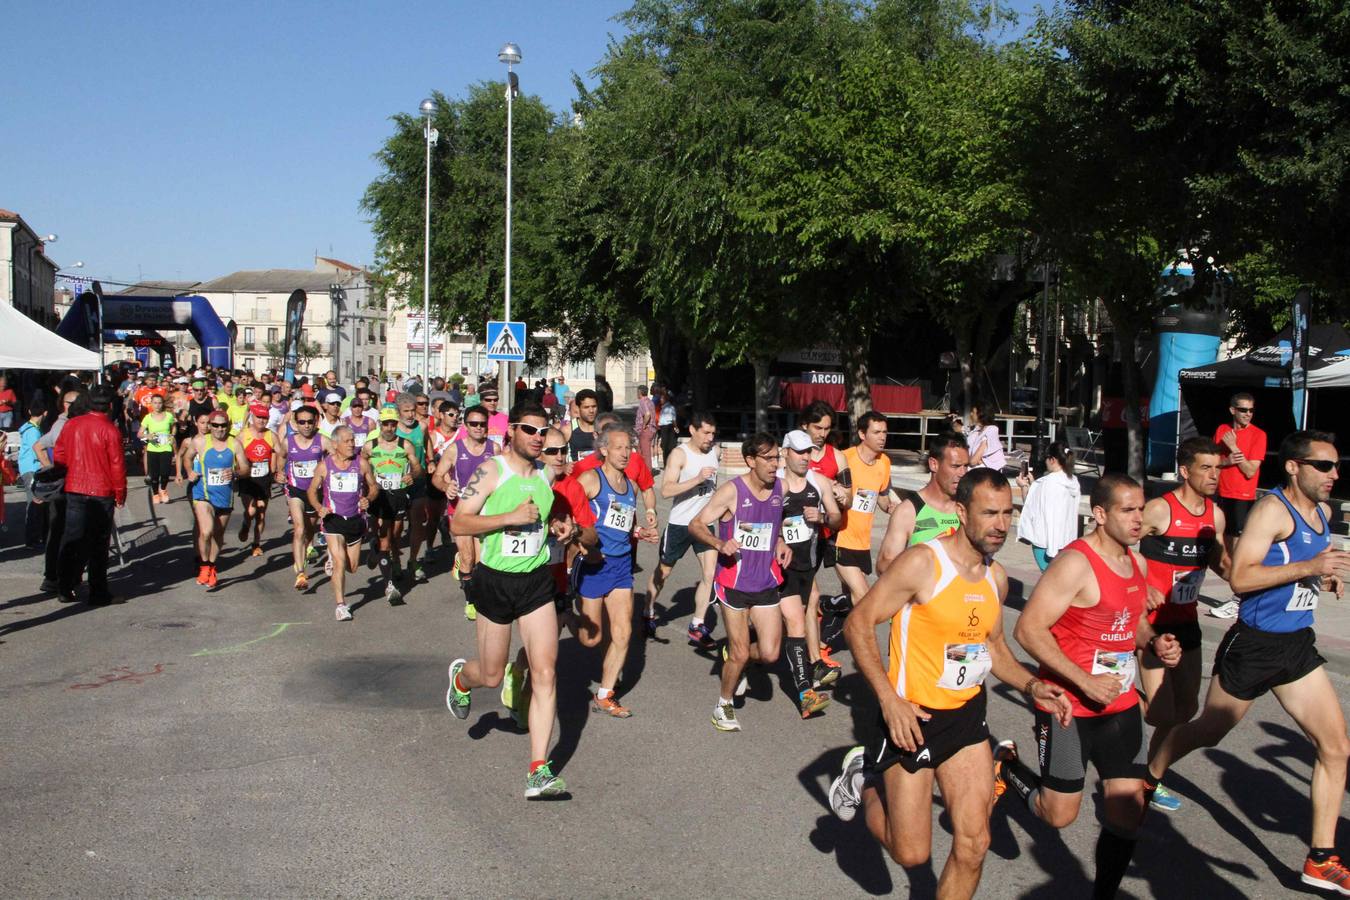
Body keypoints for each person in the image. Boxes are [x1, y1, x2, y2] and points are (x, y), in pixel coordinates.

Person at [830, 469, 1073, 900]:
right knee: (910, 853)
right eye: (990, 513)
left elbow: (993, 648)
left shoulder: (996, 578)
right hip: (913, 720)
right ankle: (864, 780)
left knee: (975, 843)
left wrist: (1032, 686)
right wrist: (888, 700)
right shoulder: (923, 563)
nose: (1001, 524)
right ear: (961, 512)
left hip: (966, 721)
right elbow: (858, 623)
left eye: (1008, 513)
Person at [1146, 430, 1350, 893]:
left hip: (1296, 645)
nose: (1334, 475)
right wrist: (1311, 569)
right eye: (1323, 465)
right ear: (1293, 467)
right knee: (1209, 730)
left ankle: (1321, 858)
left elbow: (1308, 562)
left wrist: (1326, 576)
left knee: (1336, 747)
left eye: (1336, 466)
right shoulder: (1271, 510)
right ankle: (1148, 777)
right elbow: (1240, 578)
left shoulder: (1323, 512)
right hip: (1254, 645)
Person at [998, 473, 1183, 900]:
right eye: (1127, 510)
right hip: (1069, 708)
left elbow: (1132, 620)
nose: (1138, 519)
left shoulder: (1136, 563)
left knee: (1128, 812)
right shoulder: (1075, 563)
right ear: (1100, 514)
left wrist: (1154, 642)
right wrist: (1084, 681)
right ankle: (1006, 767)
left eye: (1141, 509)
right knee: (1058, 815)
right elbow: (1028, 629)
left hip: (1120, 707)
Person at [446, 403, 575, 799]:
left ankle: (538, 771)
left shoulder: (546, 475)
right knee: (490, 675)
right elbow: (459, 522)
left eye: (543, 431)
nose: (538, 437)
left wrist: (558, 527)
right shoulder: (491, 471)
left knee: (546, 673)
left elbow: (541, 520)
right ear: (512, 431)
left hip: (535, 583)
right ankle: (461, 679)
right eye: (530, 430)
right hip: (495, 582)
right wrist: (508, 518)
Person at [1134, 436, 1228, 813]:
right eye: (1206, 468)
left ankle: (1149, 778)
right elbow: (1115, 542)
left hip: (1187, 624)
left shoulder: (1215, 515)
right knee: (1160, 713)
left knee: (1186, 710)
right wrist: (1141, 586)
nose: (1214, 475)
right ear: (1185, 471)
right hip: (1153, 624)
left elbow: (1222, 563)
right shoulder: (1160, 510)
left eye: (1218, 468)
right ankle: (1116, 699)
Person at [689, 432, 792, 732]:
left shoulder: (781, 488)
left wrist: (781, 541)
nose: (775, 464)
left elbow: (776, 521)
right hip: (733, 583)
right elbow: (696, 524)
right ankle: (723, 705)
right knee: (741, 651)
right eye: (768, 459)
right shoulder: (732, 492)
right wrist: (719, 543)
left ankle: (738, 658)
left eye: (777, 458)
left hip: (765, 582)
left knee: (770, 653)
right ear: (750, 460)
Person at [574, 426, 654, 717]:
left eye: (628, 448)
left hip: (621, 565)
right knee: (591, 638)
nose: (625, 453)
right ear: (604, 450)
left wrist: (640, 532)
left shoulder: (630, 485)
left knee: (623, 633)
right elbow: (568, 512)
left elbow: (624, 523)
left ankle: (605, 694)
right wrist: (582, 545)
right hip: (594, 565)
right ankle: (565, 616)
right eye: (618, 447)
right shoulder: (591, 479)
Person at [778, 429, 842, 715]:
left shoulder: (819, 482)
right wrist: (778, 537)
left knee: (769, 646)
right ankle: (806, 694)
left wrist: (823, 517)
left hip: (807, 565)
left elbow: (837, 519)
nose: (805, 457)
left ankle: (740, 654)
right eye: (799, 452)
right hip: (778, 569)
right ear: (785, 452)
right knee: (795, 625)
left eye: (808, 452)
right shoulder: (775, 484)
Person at [645, 411, 721, 646]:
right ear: (692, 430)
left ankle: (697, 625)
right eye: (705, 433)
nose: (710, 438)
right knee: (664, 572)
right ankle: (648, 612)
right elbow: (666, 490)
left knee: (710, 574)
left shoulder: (715, 452)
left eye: (713, 433)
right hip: (680, 523)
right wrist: (697, 479)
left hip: (704, 524)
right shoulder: (680, 454)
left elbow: (715, 490)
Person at [53, 384, 129, 605]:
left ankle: (64, 587)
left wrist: (68, 473)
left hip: (75, 487)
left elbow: (59, 454)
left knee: (72, 538)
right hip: (101, 490)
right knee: (98, 544)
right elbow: (117, 466)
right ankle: (98, 592)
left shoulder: (72, 424)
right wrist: (120, 493)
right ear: (110, 406)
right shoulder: (110, 430)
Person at [799, 401, 852, 680]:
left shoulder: (838, 457)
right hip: (794, 536)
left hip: (823, 536)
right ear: (804, 425)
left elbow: (849, 497)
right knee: (807, 596)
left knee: (804, 597)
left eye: (827, 428)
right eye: (817, 428)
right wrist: (823, 482)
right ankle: (814, 660)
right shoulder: (794, 454)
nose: (822, 433)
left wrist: (841, 495)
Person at [432, 404, 498, 621]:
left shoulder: (495, 449)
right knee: (469, 558)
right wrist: (446, 486)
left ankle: (464, 565)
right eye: (473, 424)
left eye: (482, 424)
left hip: (485, 511)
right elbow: (437, 476)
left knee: (481, 561)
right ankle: (471, 601)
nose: (478, 428)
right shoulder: (454, 449)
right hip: (460, 510)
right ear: (465, 426)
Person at [308, 425, 379, 621]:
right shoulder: (324, 466)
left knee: (352, 567)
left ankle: (370, 547)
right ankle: (340, 606)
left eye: (353, 440)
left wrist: (368, 499)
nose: (351, 444)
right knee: (339, 561)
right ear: (335, 444)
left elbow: (373, 487)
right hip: (333, 520)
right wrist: (318, 507)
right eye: (347, 441)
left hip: (355, 520)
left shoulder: (361, 463)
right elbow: (312, 491)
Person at [876, 432, 969, 575]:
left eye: (966, 466)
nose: (962, 473)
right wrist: (921, 568)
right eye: (955, 466)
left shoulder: (970, 507)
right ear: (934, 464)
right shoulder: (909, 511)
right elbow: (884, 565)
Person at [1210, 391, 1267, 618]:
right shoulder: (1222, 430)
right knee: (1220, 550)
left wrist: (1234, 448)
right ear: (1232, 410)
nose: (1248, 414)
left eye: (1251, 410)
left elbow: (1251, 470)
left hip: (1242, 497)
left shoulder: (1258, 435)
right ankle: (1242, 594)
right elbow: (1214, 462)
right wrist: (1226, 460)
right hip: (1221, 493)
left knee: (1236, 551)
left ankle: (1241, 597)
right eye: (1243, 410)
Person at [834, 411, 894, 606]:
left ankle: (832, 610)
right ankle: (832, 606)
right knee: (863, 596)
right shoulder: (844, 458)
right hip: (840, 538)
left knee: (852, 599)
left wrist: (893, 508)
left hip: (863, 543)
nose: (882, 437)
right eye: (876, 432)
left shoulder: (884, 462)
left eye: (884, 432)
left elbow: (882, 497)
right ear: (862, 434)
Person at [364, 405, 421, 602]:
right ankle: (390, 583)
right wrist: (367, 485)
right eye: (386, 424)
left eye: (393, 424)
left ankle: (385, 555)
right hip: (378, 496)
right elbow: (360, 467)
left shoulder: (405, 445)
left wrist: (412, 475)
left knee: (395, 535)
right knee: (384, 538)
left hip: (398, 495)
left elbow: (417, 468)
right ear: (380, 424)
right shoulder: (370, 446)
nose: (389, 428)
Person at [182, 411, 247, 587]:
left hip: (225, 496)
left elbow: (245, 468)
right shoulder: (200, 442)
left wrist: (235, 473)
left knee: (218, 534)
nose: (219, 429)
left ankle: (211, 565)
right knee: (206, 531)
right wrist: (189, 471)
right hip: (202, 494)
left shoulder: (235, 443)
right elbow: (187, 457)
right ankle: (204, 566)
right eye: (216, 425)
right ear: (210, 425)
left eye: (223, 425)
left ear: (228, 425)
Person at [276, 404, 329, 590]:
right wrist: (279, 472)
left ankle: (303, 550)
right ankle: (300, 573)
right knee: (299, 529)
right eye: (302, 422)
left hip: (315, 493)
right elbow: (281, 457)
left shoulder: (323, 441)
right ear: (295, 423)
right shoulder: (288, 442)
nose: (306, 425)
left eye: (309, 422)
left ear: (315, 422)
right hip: (295, 490)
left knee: (310, 529)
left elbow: (336, 458)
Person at [1015, 441, 1080, 571]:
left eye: (1046, 458)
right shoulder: (1073, 481)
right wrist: (1034, 485)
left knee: (1049, 577)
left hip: (1044, 541)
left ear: (1052, 460)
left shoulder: (1046, 483)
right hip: (1066, 541)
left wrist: (1024, 486)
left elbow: (1030, 505)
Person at [394, 393, 433, 581]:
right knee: (397, 526)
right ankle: (395, 560)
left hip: (418, 480)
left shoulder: (422, 426)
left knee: (417, 522)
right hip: (398, 482)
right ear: (398, 412)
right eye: (406, 411)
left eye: (412, 410)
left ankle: (413, 560)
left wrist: (430, 460)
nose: (410, 415)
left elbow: (427, 443)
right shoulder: (392, 429)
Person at [234, 403, 278, 556]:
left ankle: (256, 544)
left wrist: (276, 469)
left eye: (264, 418)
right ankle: (246, 524)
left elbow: (280, 452)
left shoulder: (271, 435)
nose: (261, 420)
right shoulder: (242, 435)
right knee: (251, 510)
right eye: (258, 417)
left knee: (261, 513)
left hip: (264, 478)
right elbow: (234, 454)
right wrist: (237, 470)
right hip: (247, 478)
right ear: (252, 417)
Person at [136, 393, 177, 505]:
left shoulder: (168, 416)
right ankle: (155, 494)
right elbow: (139, 434)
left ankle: (163, 490)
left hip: (166, 448)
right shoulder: (147, 418)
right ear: (151, 404)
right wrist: (147, 436)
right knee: (154, 475)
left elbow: (174, 427)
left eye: (159, 403)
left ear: (162, 404)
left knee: (165, 473)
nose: (157, 405)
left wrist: (172, 435)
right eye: (155, 403)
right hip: (153, 449)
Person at [18, 401, 46, 548]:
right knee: (35, 503)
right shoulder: (34, 431)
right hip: (32, 469)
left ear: (29, 411)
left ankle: (34, 537)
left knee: (35, 503)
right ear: (45, 413)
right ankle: (32, 540)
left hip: (27, 468)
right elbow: (37, 451)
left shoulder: (27, 428)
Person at [965, 402, 1005, 471]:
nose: (971, 414)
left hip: (985, 471)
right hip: (973, 467)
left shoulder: (991, 430)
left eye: (973, 412)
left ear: (981, 414)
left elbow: (973, 461)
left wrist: (973, 460)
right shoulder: (975, 430)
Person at [562, 389, 601, 459]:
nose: (591, 411)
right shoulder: (568, 430)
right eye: (586, 407)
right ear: (578, 408)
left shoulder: (603, 428)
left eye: (594, 406)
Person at [635, 384, 657, 470]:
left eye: (637, 392)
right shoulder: (650, 401)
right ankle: (641, 470)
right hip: (650, 430)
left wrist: (644, 425)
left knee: (645, 453)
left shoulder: (643, 401)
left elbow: (647, 414)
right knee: (640, 451)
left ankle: (647, 472)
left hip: (646, 430)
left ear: (639, 392)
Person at [656, 385, 678, 466]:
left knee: (668, 447)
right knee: (664, 447)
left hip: (668, 428)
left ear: (666, 399)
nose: (660, 400)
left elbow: (673, 419)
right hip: (663, 428)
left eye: (662, 398)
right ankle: (666, 464)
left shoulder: (670, 408)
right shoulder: (663, 407)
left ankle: (669, 464)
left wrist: (676, 427)